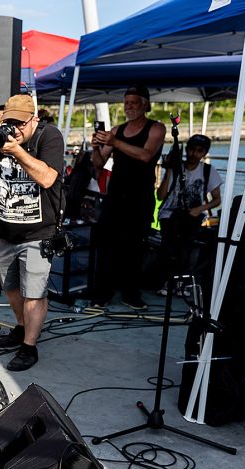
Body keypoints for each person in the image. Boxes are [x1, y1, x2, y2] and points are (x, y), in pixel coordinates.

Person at [0, 94, 64, 371]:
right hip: (5, 231)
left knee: (35, 293)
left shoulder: (48, 137)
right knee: (11, 288)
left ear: (34, 119)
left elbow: (47, 177)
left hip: (38, 232)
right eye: (9, 122)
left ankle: (29, 347)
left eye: (20, 123)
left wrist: (17, 150)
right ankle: (20, 328)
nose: (14, 129)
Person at [90, 84, 166, 310]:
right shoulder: (116, 130)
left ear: (145, 105)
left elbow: (145, 155)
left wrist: (115, 143)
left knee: (134, 247)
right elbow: (98, 163)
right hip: (115, 196)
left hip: (140, 196)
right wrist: (96, 147)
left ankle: (130, 294)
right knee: (106, 245)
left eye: (134, 102)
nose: (129, 107)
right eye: (126, 103)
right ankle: (102, 293)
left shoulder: (157, 128)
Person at [156, 133, 222, 291]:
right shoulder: (176, 168)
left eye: (199, 151)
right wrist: (170, 171)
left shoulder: (207, 171)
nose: (194, 154)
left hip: (192, 215)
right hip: (169, 214)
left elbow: (217, 199)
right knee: (169, 247)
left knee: (185, 248)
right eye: (192, 149)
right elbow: (161, 195)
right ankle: (166, 281)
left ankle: (180, 282)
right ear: (186, 149)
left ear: (204, 154)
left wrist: (199, 209)